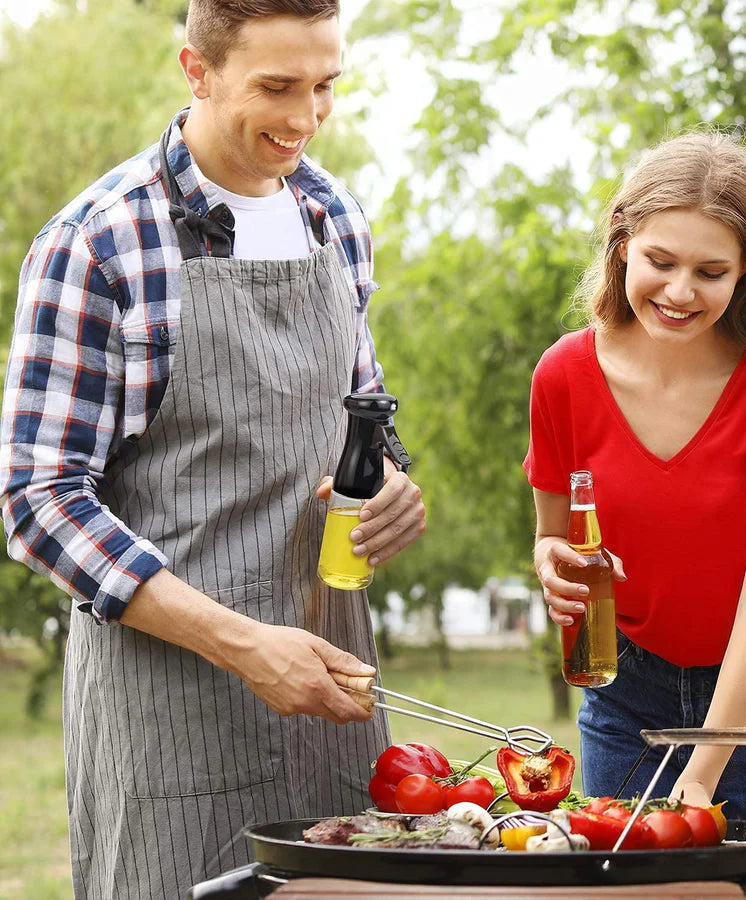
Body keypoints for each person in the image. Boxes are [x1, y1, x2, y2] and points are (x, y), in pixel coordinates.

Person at [0, 1, 425, 897]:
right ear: (196, 69)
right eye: (277, 87)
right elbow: (40, 501)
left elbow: (365, 417)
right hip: (170, 709)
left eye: (326, 86)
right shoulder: (99, 242)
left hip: (332, 691)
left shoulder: (334, 217)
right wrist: (242, 645)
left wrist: (390, 480)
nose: (306, 119)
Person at [524, 131, 746, 897]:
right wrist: (549, 565)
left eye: (710, 271)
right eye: (661, 261)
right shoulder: (563, 374)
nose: (680, 291)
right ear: (622, 241)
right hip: (626, 691)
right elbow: (552, 536)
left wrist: (702, 773)